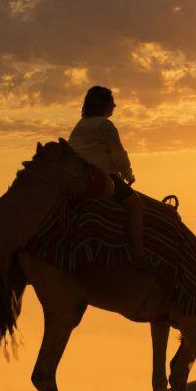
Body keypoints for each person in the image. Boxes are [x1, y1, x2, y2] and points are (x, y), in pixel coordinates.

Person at [67, 86, 146, 264]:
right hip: (104, 178)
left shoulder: (79, 126)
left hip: (81, 179)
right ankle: (139, 254)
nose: (114, 106)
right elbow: (118, 156)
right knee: (136, 206)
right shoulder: (105, 125)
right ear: (104, 105)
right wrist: (129, 175)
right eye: (112, 103)